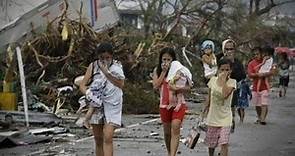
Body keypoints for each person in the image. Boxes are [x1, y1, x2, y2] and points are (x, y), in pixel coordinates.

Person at [79, 42, 125, 156]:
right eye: (102, 58)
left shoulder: (117, 67)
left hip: (112, 104)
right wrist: (90, 94)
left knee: (108, 136)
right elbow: (83, 85)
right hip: (97, 105)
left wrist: (107, 73)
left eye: (107, 57)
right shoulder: (93, 66)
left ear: (112, 56)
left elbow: (121, 84)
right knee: (98, 139)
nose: (104, 60)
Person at [152, 47, 191, 156]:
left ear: (173, 60)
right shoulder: (157, 70)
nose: (166, 62)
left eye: (169, 60)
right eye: (164, 59)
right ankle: (169, 152)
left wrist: (178, 89)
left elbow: (189, 87)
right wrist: (164, 72)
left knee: (176, 126)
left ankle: (173, 154)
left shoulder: (180, 71)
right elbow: (156, 85)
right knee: (167, 132)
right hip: (164, 105)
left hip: (179, 104)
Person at [203, 58, 236, 156]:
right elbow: (209, 97)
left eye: (227, 70)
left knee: (224, 142)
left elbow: (225, 95)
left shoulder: (232, 82)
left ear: (230, 70)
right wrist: (204, 111)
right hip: (213, 117)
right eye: (222, 70)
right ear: (218, 70)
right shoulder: (212, 80)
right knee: (211, 144)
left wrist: (223, 81)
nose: (224, 72)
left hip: (226, 118)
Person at [220, 38, 246, 132]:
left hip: (233, 89)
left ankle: (230, 123)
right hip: (221, 89)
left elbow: (242, 75)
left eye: (231, 49)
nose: (229, 51)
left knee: (231, 108)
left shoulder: (238, 62)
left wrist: (232, 64)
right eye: (227, 49)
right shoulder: (220, 61)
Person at [248, 46, 274, 125]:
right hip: (256, 87)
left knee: (264, 103)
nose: (256, 55)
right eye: (254, 54)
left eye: (258, 54)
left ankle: (263, 119)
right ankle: (259, 117)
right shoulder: (251, 63)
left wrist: (265, 74)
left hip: (265, 87)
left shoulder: (267, 60)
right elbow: (249, 74)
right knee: (257, 104)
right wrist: (257, 75)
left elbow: (273, 71)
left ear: (261, 53)